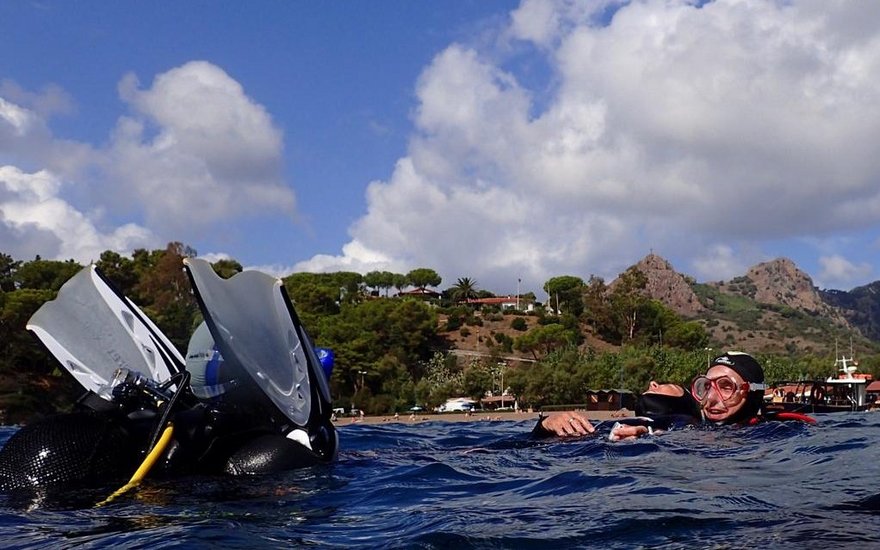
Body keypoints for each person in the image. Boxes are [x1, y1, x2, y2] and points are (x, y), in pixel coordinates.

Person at [533, 351, 813, 440]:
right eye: (706, 386)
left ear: (751, 393)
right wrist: (546, 425)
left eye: (726, 387)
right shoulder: (686, 426)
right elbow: (660, 427)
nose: (712, 399)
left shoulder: (783, 430)